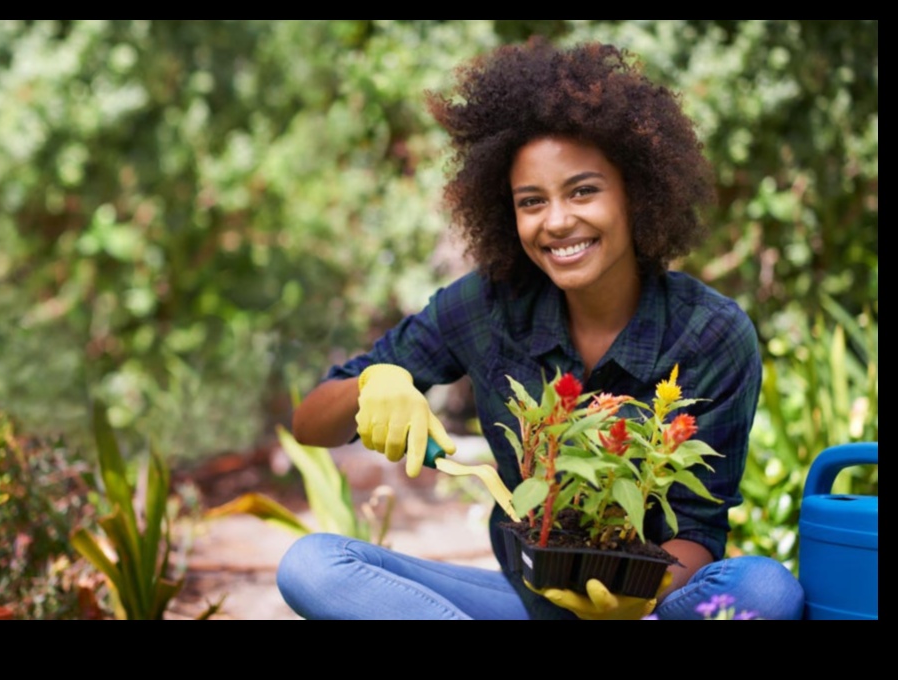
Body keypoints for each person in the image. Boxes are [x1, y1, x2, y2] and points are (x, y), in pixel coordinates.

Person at [277, 37, 805, 620]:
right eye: (532, 201)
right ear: (508, 213)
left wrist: (629, 600)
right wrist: (375, 382)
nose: (557, 221)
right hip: (529, 604)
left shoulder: (711, 332)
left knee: (765, 592)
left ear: (635, 191)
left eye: (583, 190)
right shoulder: (486, 305)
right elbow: (310, 422)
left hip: (649, 606)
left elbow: (698, 532)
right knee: (313, 565)